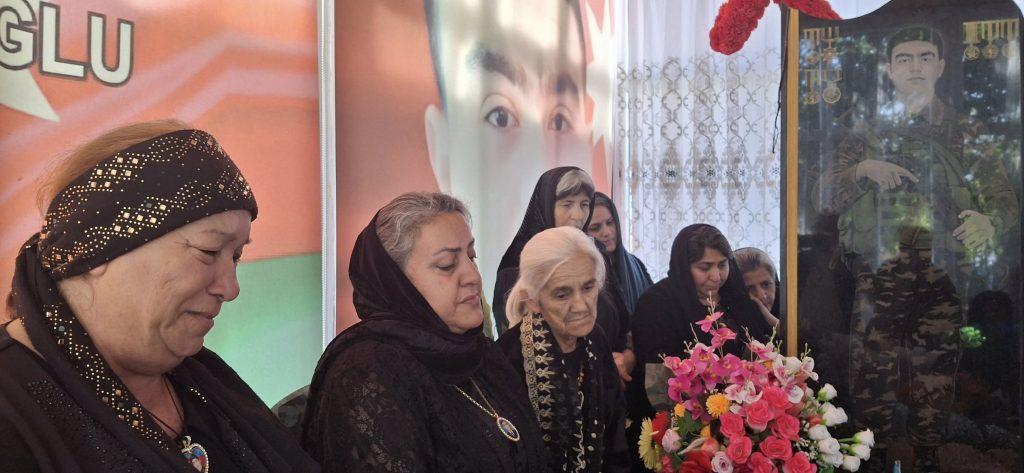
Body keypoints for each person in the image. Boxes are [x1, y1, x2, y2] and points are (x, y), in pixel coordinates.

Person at [0, 121, 319, 472]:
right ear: (98, 252)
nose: (230, 289)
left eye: (236, 256)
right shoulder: (13, 410)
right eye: (209, 251)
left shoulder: (206, 380)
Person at [300, 192, 547, 472]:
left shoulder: (478, 352)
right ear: (396, 283)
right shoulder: (367, 371)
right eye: (447, 265)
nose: (473, 276)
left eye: (471, 257)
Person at [423, 0, 595, 303]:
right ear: (442, 153)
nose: (538, 168)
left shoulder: (595, 264)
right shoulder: (511, 279)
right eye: (499, 115)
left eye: (559, 120)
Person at [627, 225, 772, 453]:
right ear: (684, 267)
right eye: (704, 267)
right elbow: (658, 382)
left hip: (741, 422)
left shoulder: (735, 296)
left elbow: (759, 348)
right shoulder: (657, 303)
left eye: (722, 265)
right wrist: (691, 433)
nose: (716, 276)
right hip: (683, 430)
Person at [496, 227, 629, 472]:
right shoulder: (507, 358)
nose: (581, 306)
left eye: (588, 288)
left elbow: (615, 437)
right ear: (533, 300)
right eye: (562, 294)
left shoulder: (596, 340)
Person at [493, 167, 633, 383]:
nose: (578, 216)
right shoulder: (517, 265)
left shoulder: (594, 254)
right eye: (567, 205)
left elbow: (622, 318)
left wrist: (624, 357)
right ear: (546, 206)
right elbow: (515, 342)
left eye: (584, 204)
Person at [587, 193, 653, 314]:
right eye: (595, 228)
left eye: (610, 222)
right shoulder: (583, 273)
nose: (607, 232)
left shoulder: (635, 264)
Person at [733, 247, 781, 328]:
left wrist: (771, 320)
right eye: (749, 288)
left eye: (766, 284)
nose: (761, 296)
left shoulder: (791, 306)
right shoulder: (727, 319)